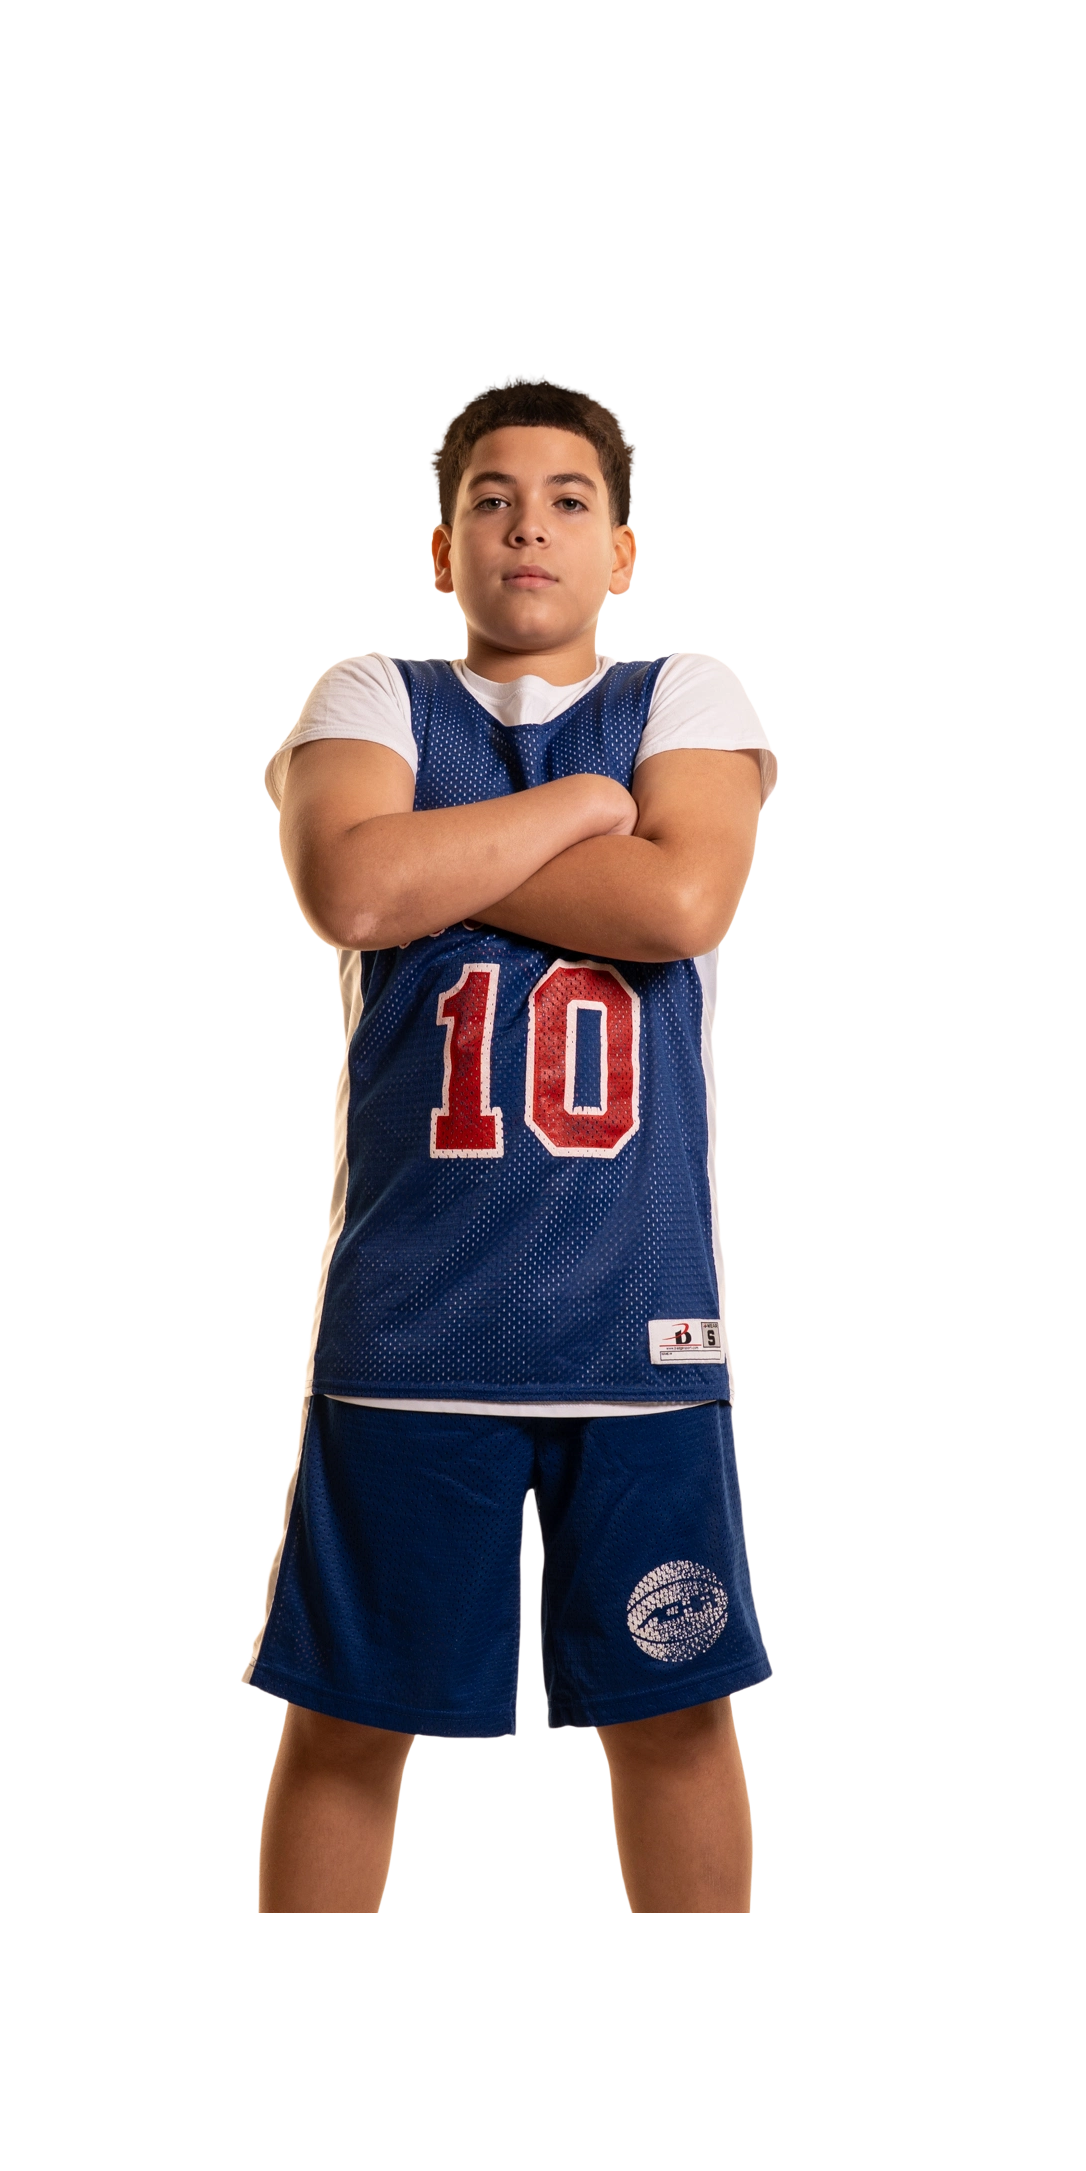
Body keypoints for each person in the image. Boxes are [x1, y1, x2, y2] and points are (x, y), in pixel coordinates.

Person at [246, 371, 775, 1913]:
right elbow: (349, 888)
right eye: (490, 501)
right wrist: (582, 810)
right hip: (415, 1328)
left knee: (676, 1714)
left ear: (620, 551)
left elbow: (682, 901)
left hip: (636, 1323)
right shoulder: (372, 698)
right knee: (350, 1719)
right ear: (443, 548)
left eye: (566, 501)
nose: (527, 527)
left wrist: (436, 860)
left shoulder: (685, 697)